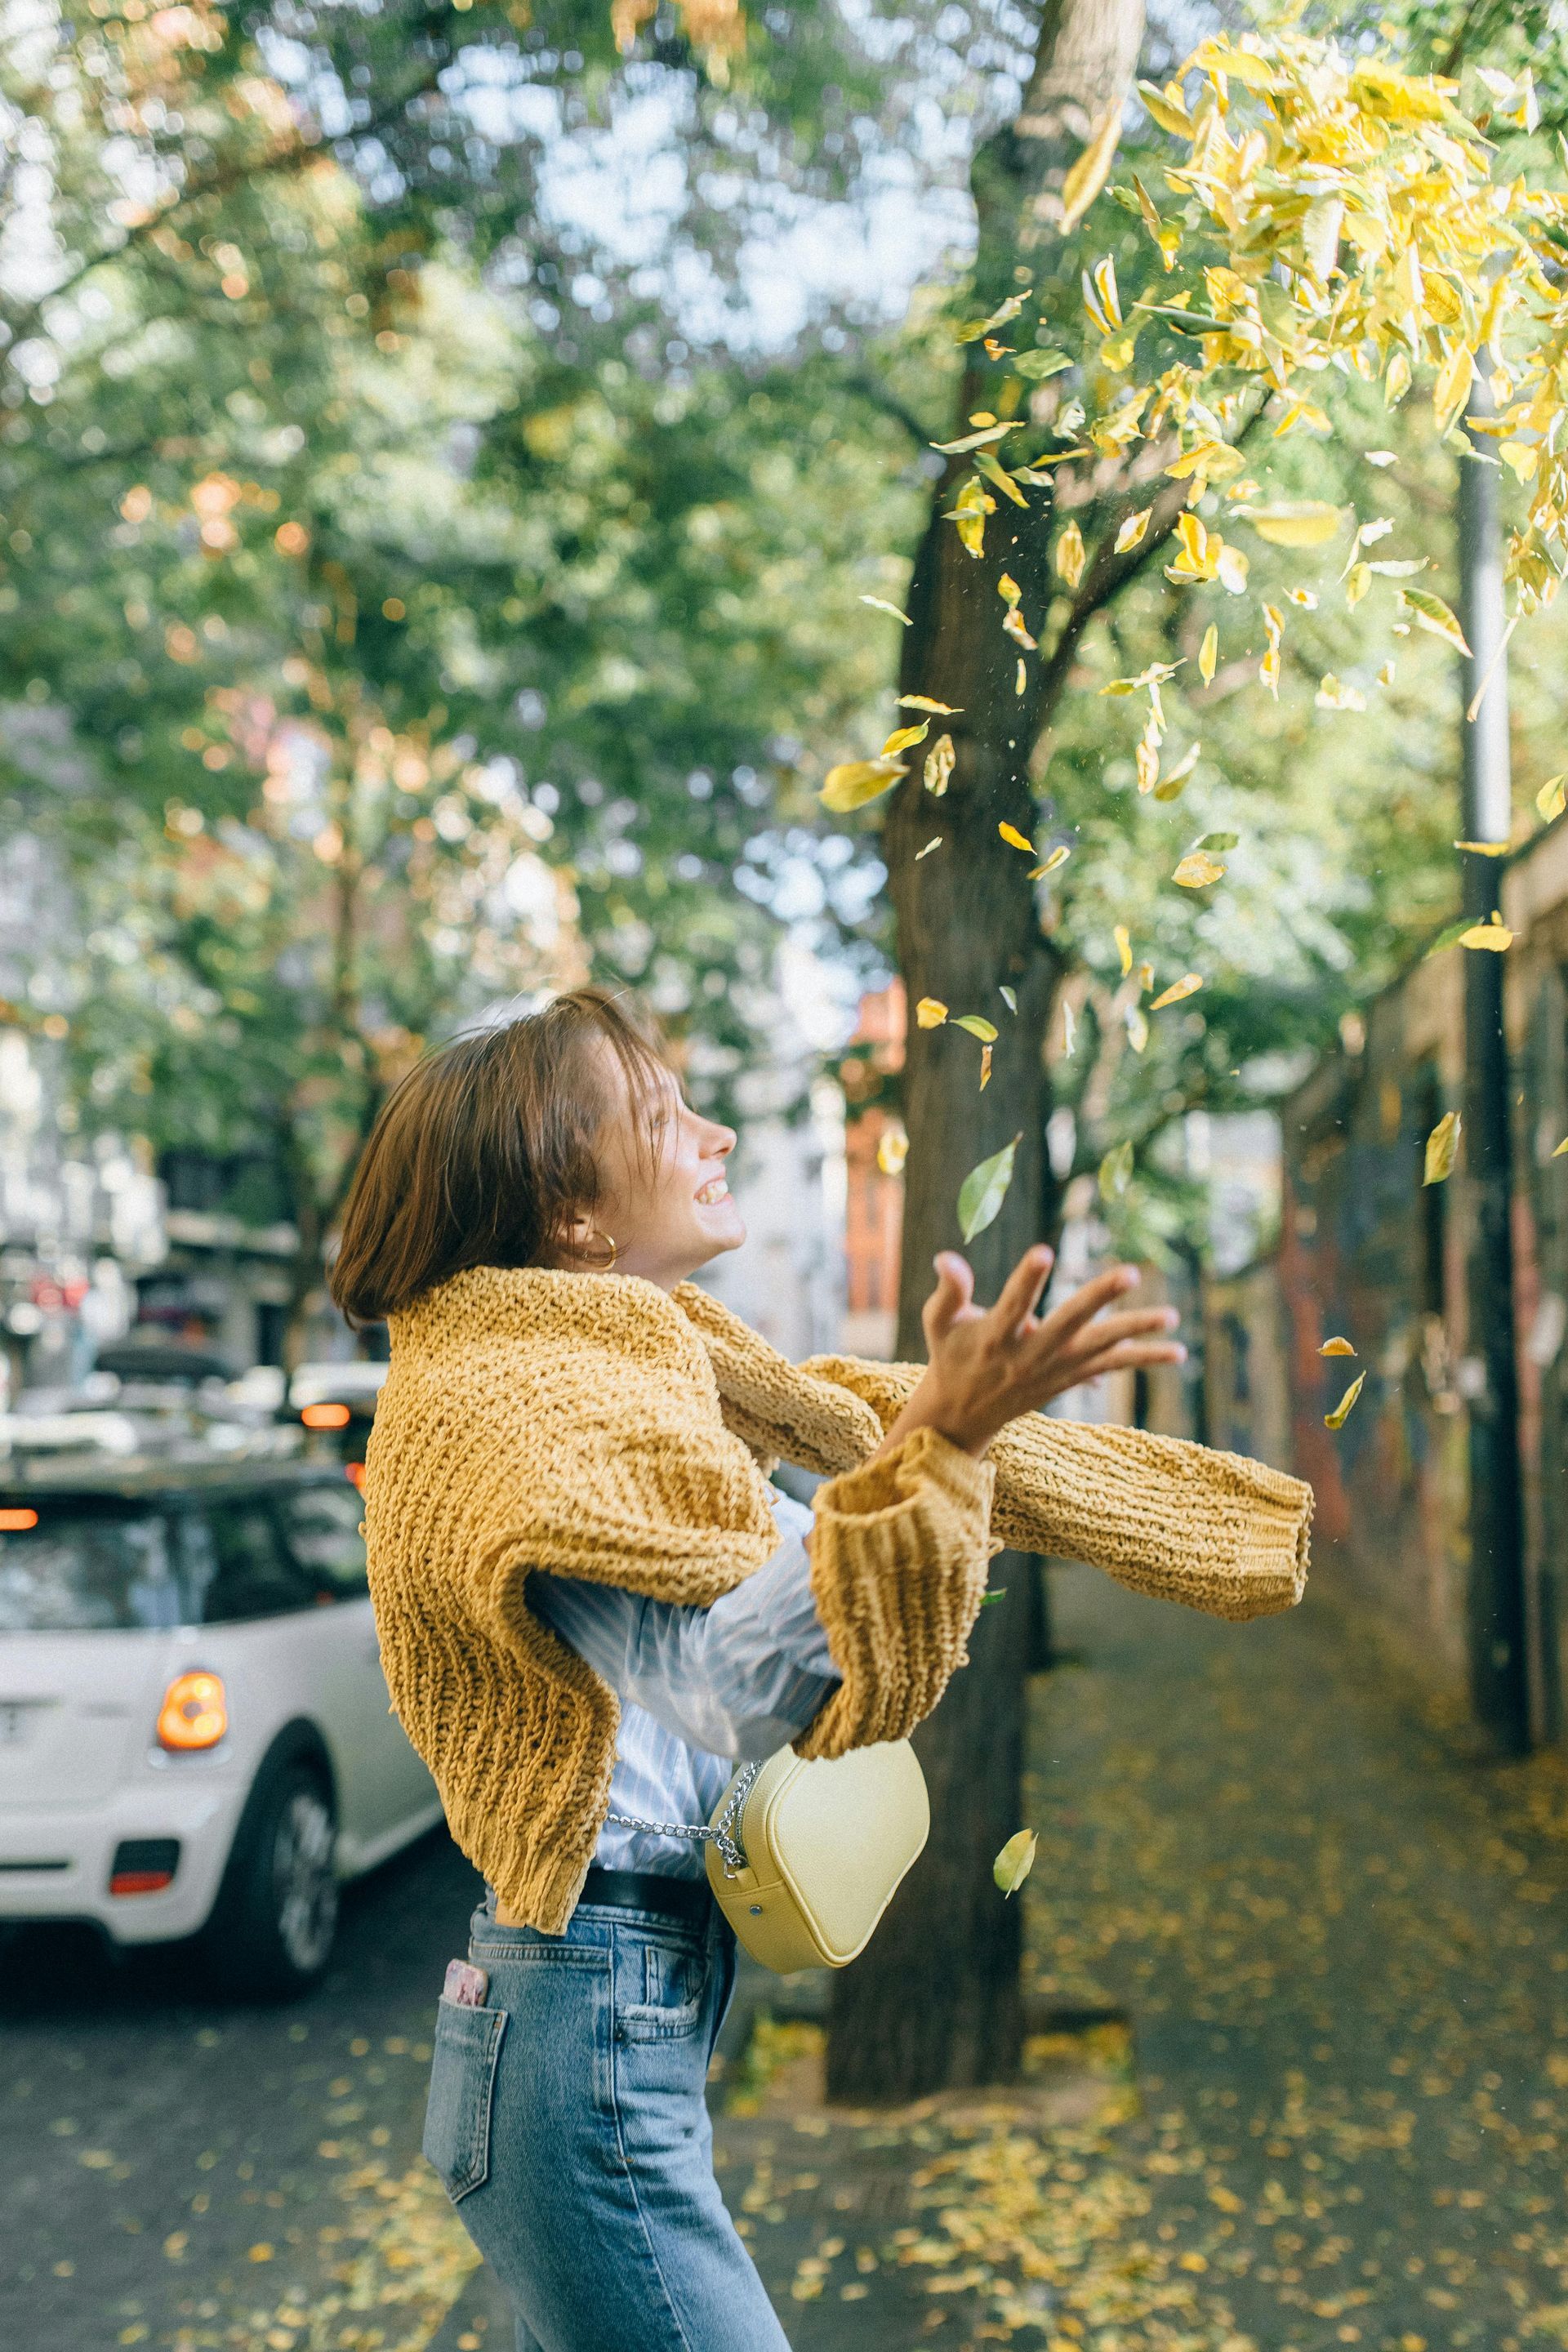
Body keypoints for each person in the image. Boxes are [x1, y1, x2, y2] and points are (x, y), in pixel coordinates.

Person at [329, 986, 1309, 2352]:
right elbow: (740, 1683)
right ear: (573, 1210)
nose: (718, 1132)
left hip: (613, 2017)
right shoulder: (522, 1423)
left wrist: (942, 1447)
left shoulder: (625, 1387)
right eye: (669, 1118)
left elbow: (810, 1553)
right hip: (582, 2036)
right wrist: (934, 1457)